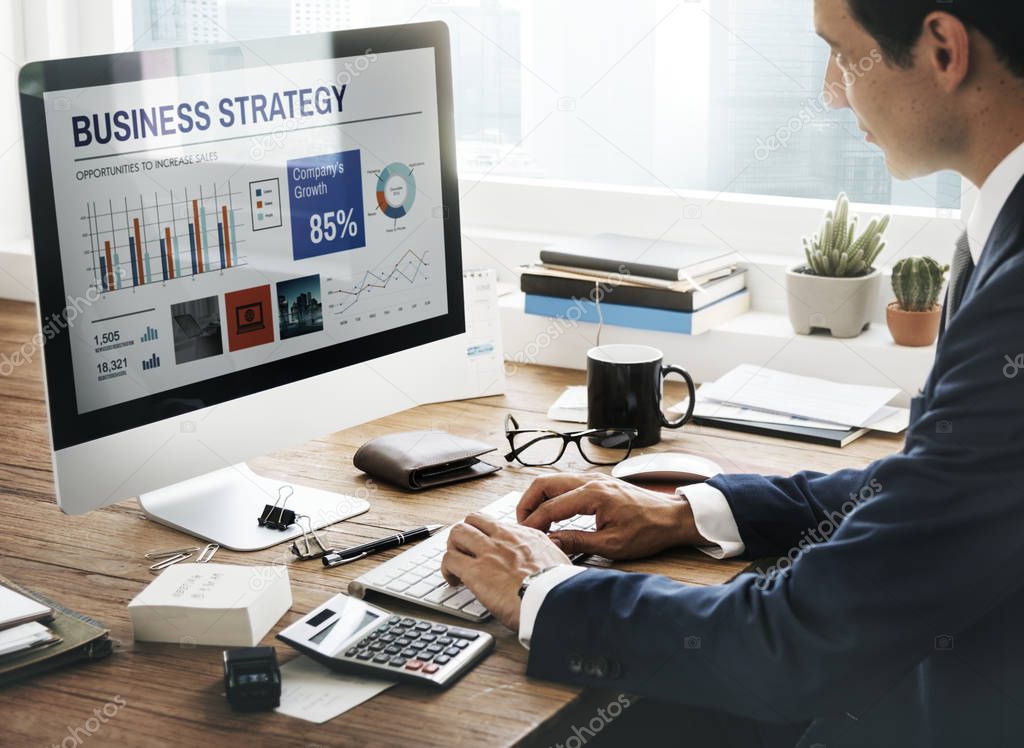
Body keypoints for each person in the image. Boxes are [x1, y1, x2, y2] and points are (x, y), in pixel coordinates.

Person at [440, 1, 1024, 745]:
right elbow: (946, 483)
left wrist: (543, 590)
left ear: (943, 49)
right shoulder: (1000, 219)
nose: (832, 90)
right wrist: (695, 511)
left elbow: (802, 645)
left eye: (843, 54)